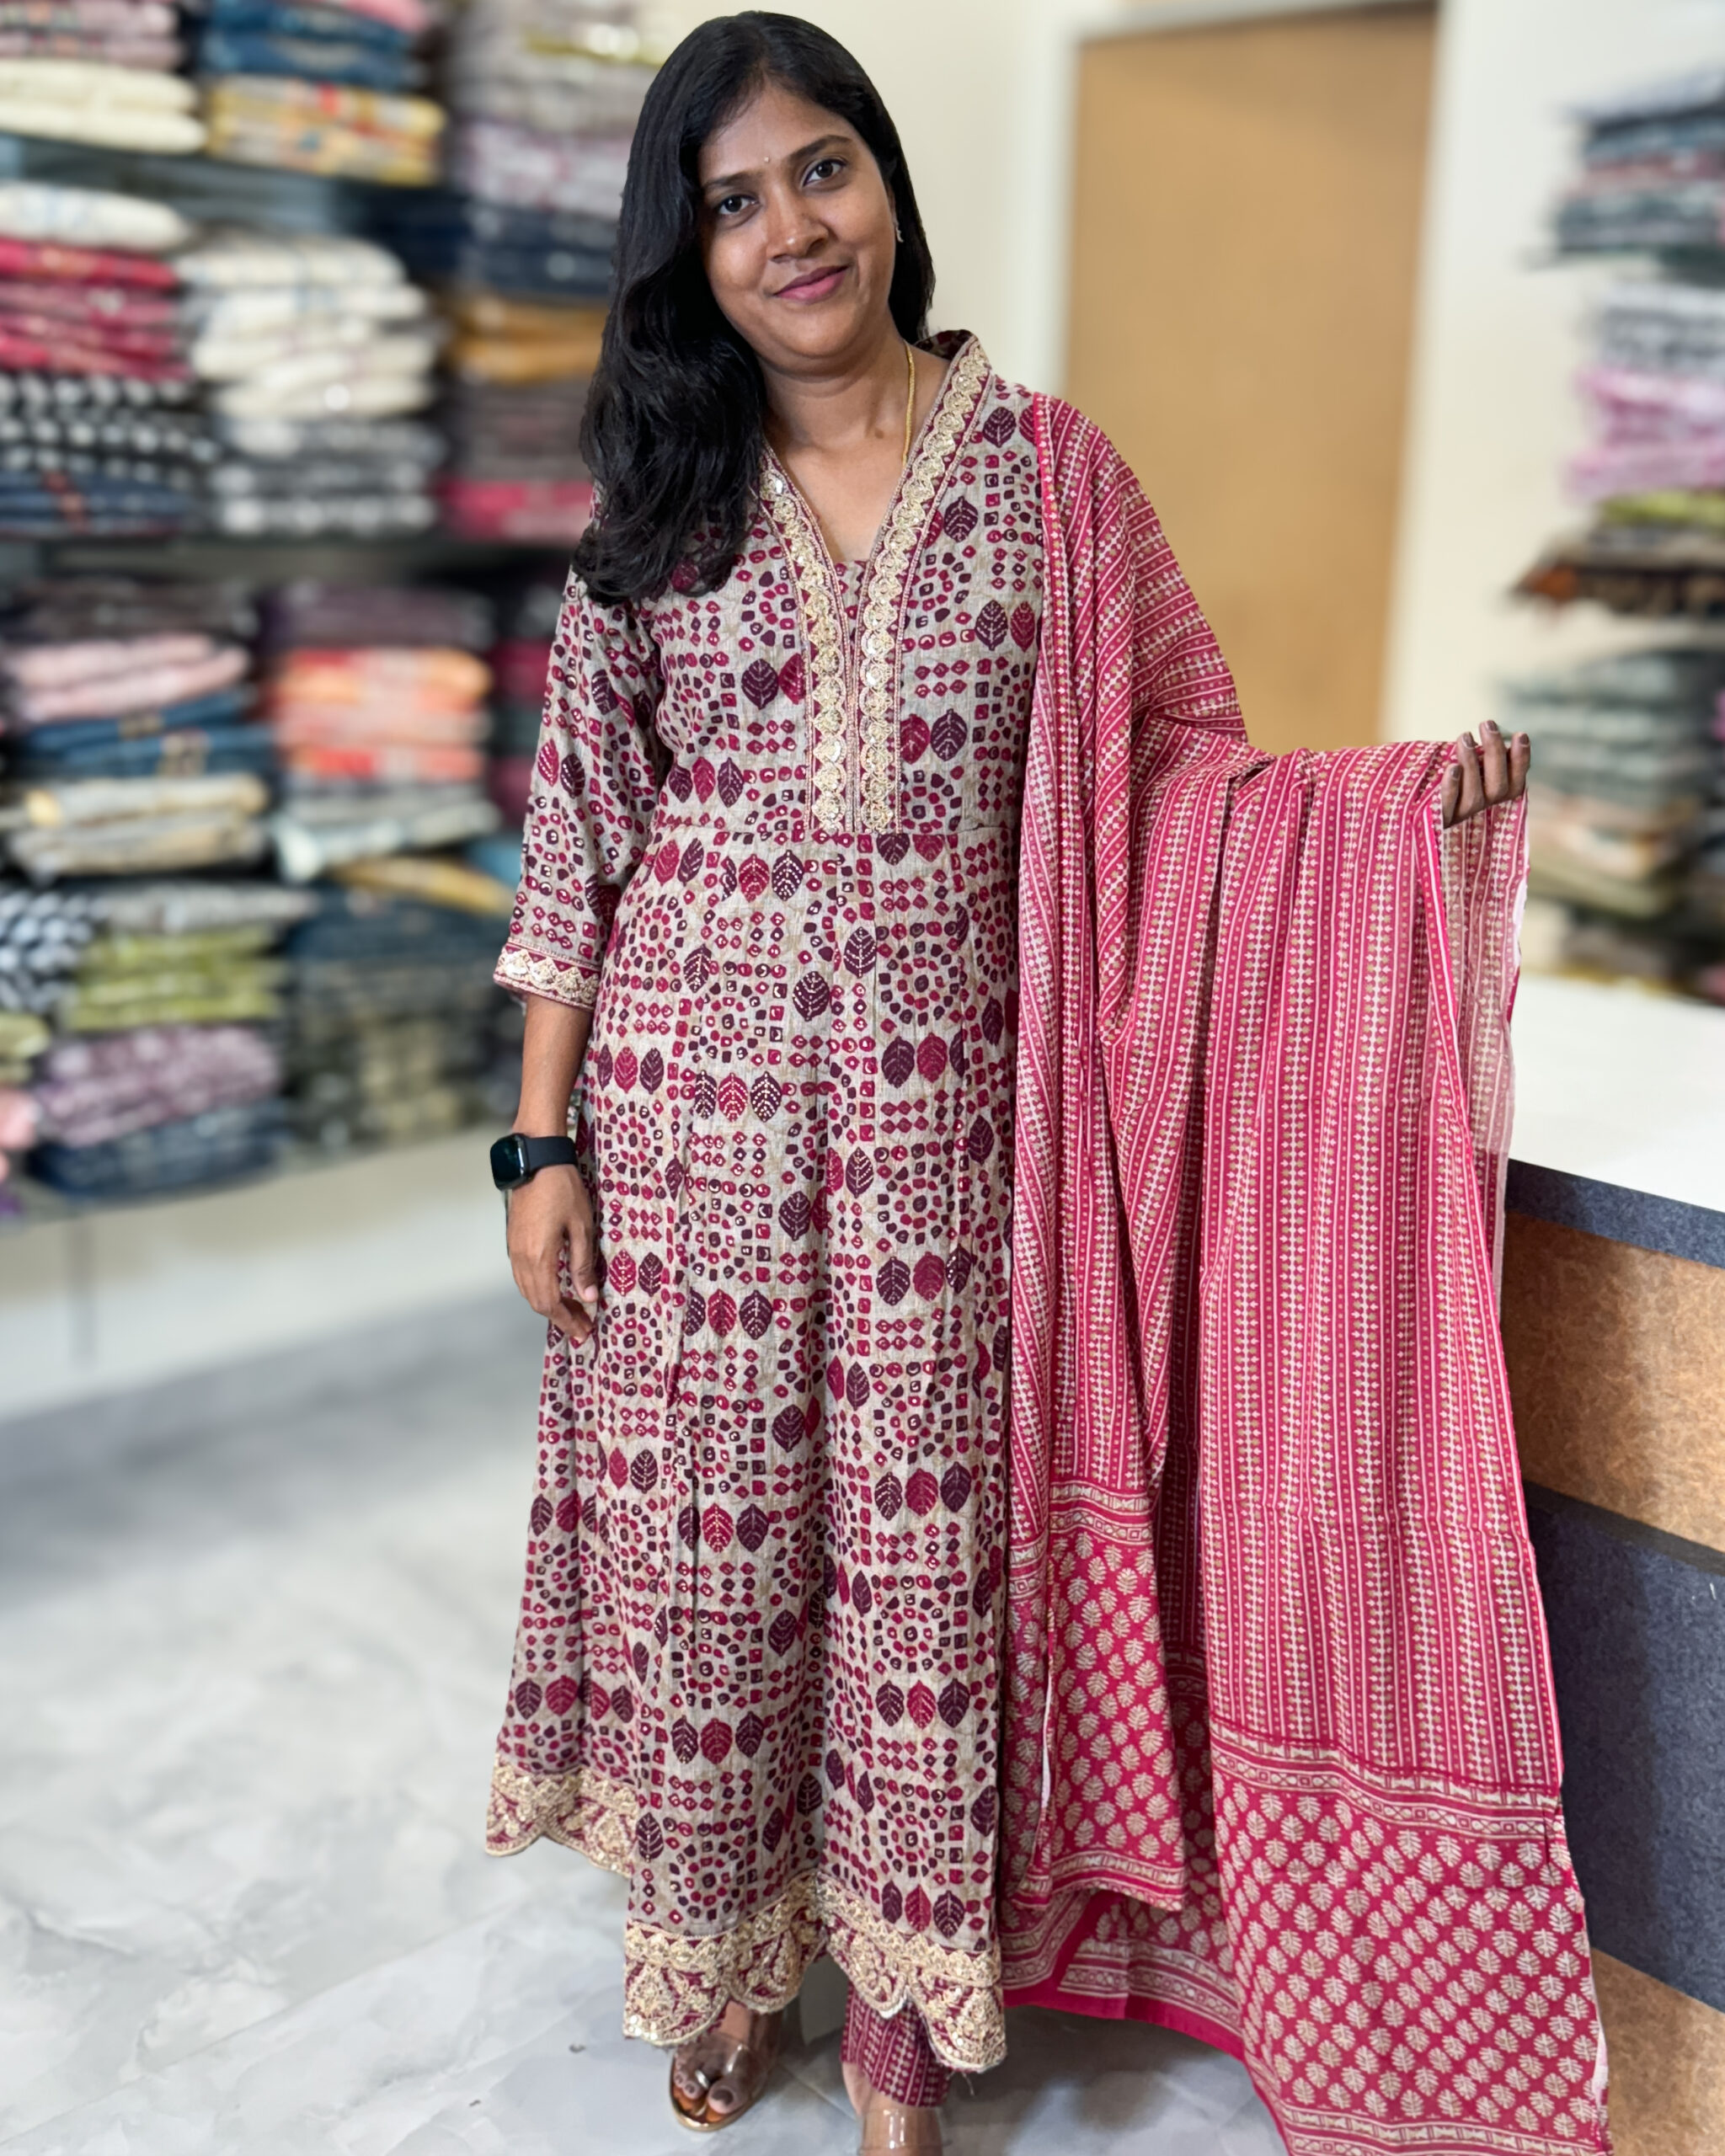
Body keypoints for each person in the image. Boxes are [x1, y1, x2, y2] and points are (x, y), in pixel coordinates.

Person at [484, 15, 1610, 2156]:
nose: (790, 229)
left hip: (949, 1147)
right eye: (731, 202)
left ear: (884, 180)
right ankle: (724, 1963)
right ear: (685, 250)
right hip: (687, 1125)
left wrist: (1385, 812)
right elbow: (580, 837)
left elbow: (1176, 778)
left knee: (921, 1585)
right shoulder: (662, 501)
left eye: (820, 169)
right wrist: (541, 1141)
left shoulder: (1048, 473)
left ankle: (904, 2034)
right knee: (716, 1572)